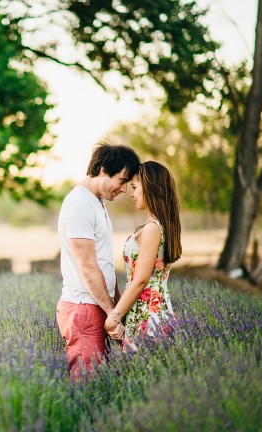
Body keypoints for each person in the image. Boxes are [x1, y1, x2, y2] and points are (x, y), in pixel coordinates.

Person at [56, 142, 140, 376]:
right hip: (84, 307)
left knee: (100, 382)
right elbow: (88, 267)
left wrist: (117, 308)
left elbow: (103, 262)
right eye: (122, 181)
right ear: (103, 169)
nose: (124, 190)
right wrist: (111, 312)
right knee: (87, 385)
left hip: (97, 305)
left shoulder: (96, 201)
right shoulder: (80, 204)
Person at [104, 161, 182, 345]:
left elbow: (140, 281)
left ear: (149, 187)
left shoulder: (152, 229)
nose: (132, 193)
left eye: (134, 187)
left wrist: (115, 316)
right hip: (148, 308)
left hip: (147, 313)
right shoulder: (156, 226)